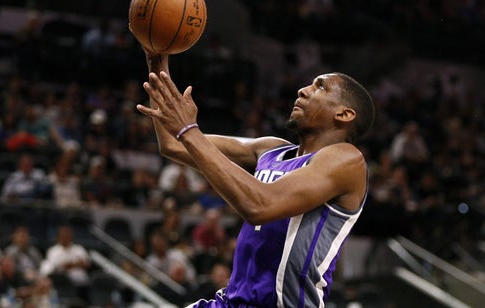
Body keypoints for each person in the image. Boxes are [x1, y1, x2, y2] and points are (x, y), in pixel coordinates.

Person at [136, 51, 374, 307]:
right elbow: (174, 143)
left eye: (320, 87)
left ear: (345, 115)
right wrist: (158, 60)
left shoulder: (347, 160)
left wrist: (189, 130)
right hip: (230, 301)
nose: (303, 90)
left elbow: (260, 206)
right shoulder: (270, 149)